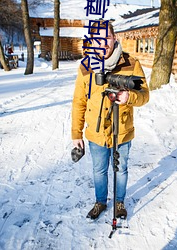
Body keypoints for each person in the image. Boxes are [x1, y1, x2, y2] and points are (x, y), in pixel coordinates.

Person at [71, 21, 149, 220]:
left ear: (114, 38)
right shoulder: (86, 66)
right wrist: (76, 134)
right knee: (99, 170)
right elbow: (79, 102)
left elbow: (144, 95)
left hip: (122, 130)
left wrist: (129, 97)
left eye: (107, 37)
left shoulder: (131, 63)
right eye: (98, 39)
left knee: (121, 168)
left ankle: (119, 202)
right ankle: (100, 202)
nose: (103, 43)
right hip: (96, 132)